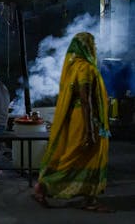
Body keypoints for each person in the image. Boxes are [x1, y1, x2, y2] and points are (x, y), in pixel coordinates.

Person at [33, 32, 112, 212]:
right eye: (93, 44)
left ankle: (86, 197)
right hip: (87, 121)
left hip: (81, 120)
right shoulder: (85, 68)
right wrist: (90, 131)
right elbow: (86, 100)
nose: (95, 48)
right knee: (81, 157)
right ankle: (46, 187)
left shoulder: (73, 67)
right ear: (86, 46)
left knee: (80, 157)